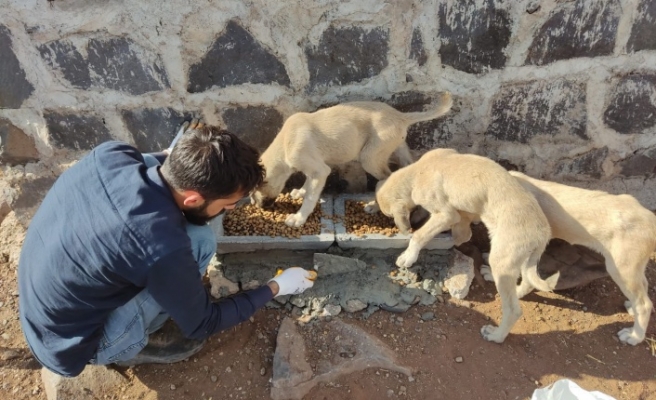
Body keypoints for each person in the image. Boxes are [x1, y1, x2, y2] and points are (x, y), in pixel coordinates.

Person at [17, 121, 316, 377]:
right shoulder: (162, 247)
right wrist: (277, 286)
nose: (232, 209)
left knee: (192, 236)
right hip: (74, 347)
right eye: (227, 204)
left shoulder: (111, 154)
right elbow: (203, 322)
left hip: (42, 306)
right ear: (192, 199)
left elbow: (163, 160)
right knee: (201, 241)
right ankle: (136, 344)